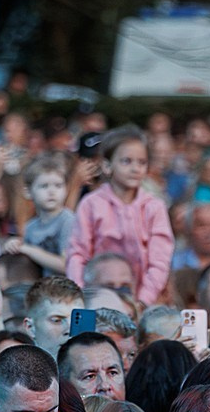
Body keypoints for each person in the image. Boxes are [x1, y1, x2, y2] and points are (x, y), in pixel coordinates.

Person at [66, 128, 174, 303]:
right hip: (96, 297)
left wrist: (143, 301)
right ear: (107, 166)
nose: (135, 169)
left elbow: (160, 260)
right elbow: (78, 254)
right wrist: (82, 294)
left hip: (142, 300)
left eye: (141, 162)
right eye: (126, 161)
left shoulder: (154, 207)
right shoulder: (91, 204)